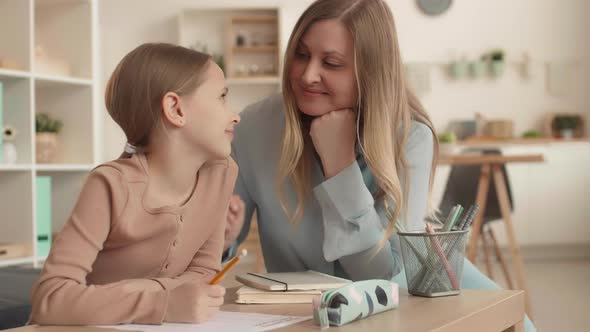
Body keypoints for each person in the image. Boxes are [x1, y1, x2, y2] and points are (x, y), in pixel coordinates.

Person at [223, 0, 536, 330]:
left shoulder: (411, 137)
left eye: (331, 62)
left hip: (408, 305)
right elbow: (217, 257)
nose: (308, 74)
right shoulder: (254, 128)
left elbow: (387, 276)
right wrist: (221, 237)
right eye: (301, 55)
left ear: (369, 72)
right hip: (303, 318)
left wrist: (340, 167)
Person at [30, 43, 240, 325]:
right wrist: (162, 303)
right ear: (176, 109)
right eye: (222, 97)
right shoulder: (110, 185)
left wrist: (167, 299)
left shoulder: (222, 174)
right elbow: (51, 299)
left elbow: (203, 274)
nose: (235, 114)